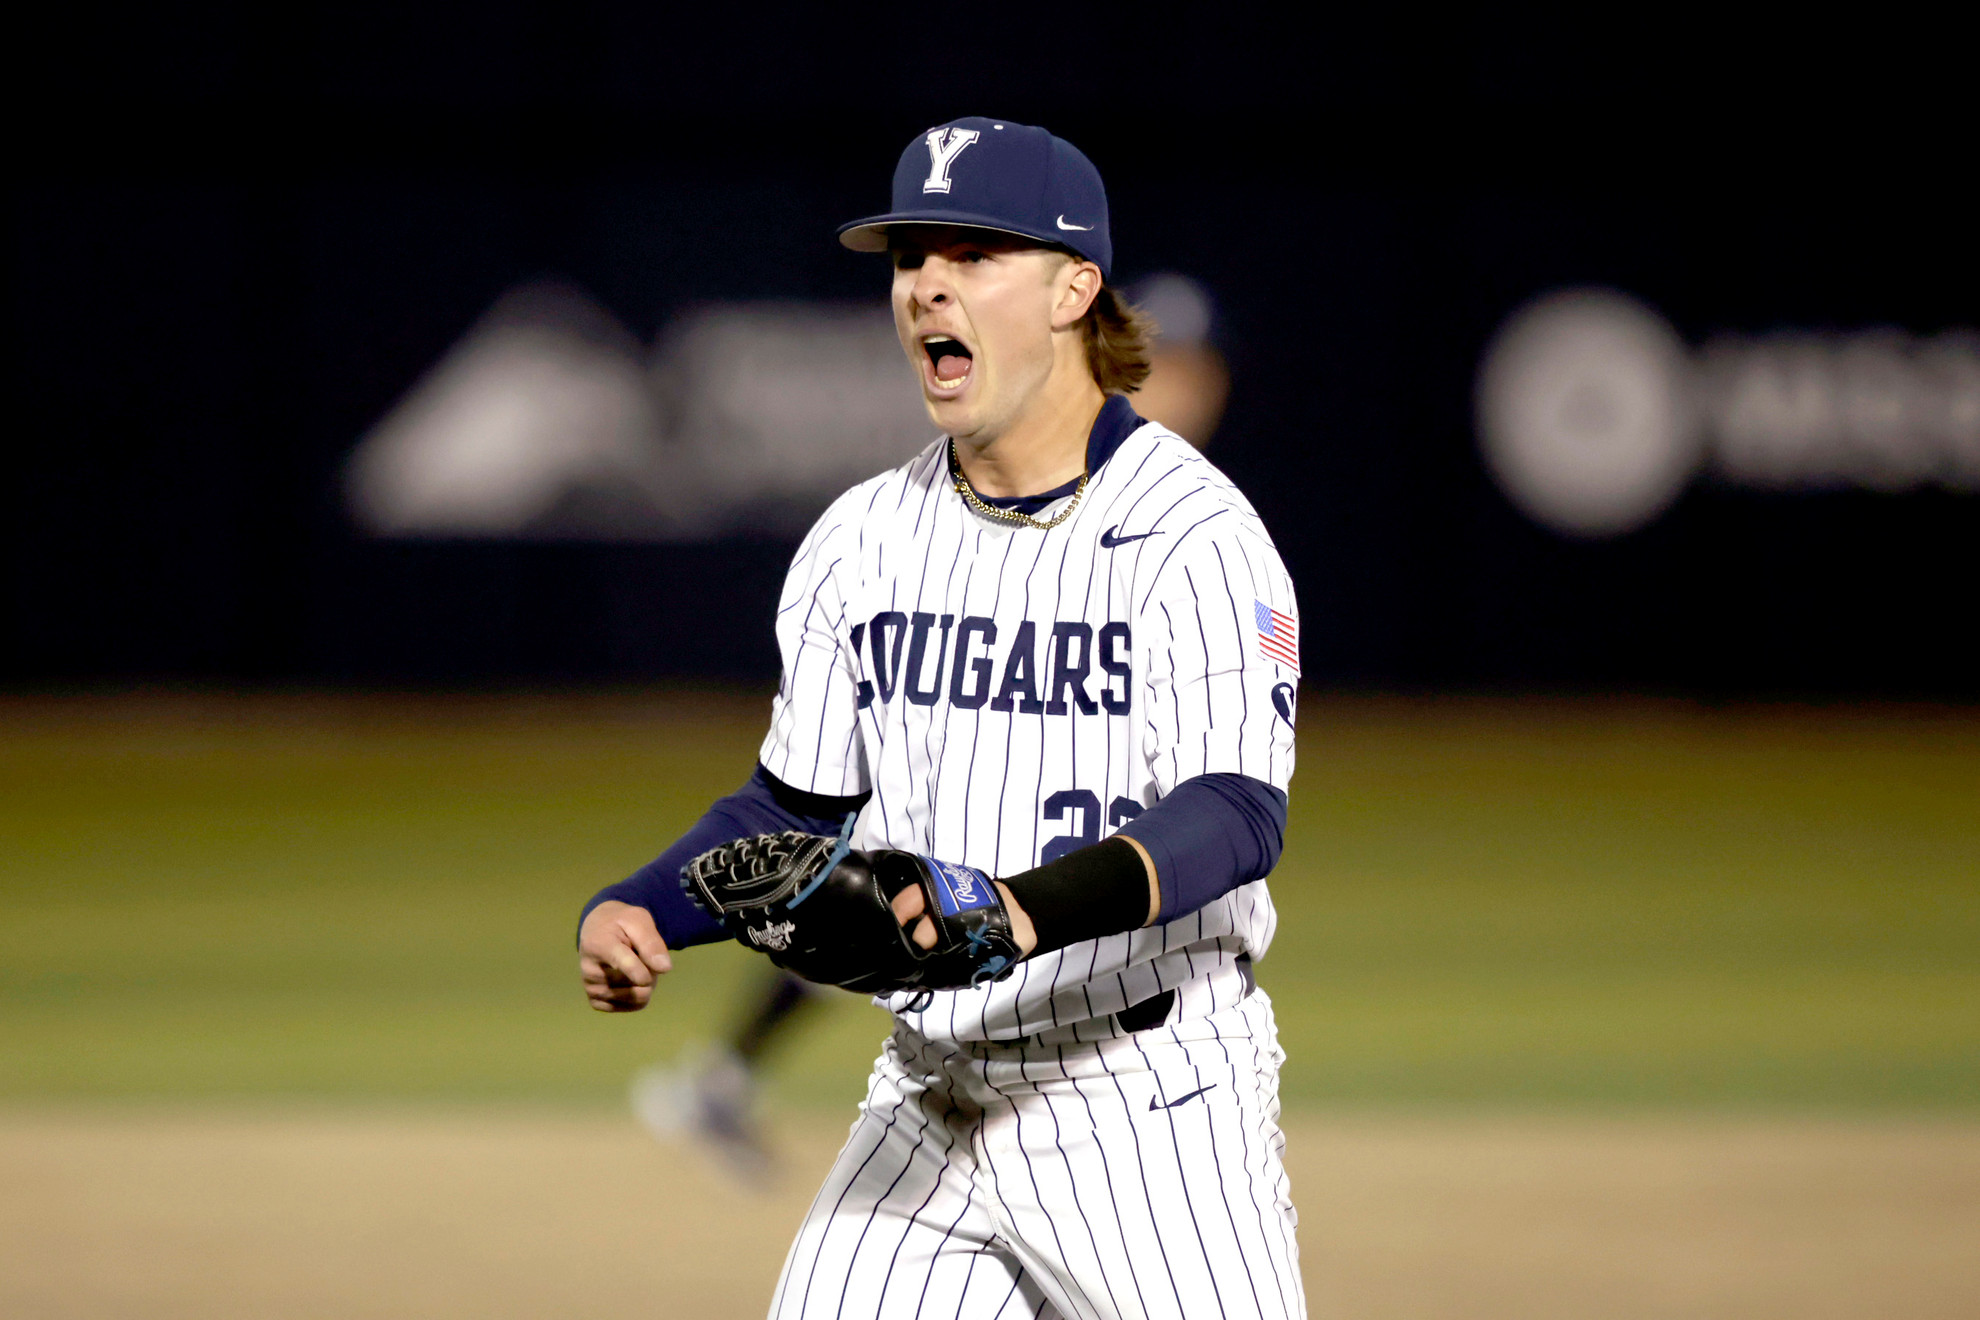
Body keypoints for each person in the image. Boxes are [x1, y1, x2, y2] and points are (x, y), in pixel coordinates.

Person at [579, 116, 1304, 1320]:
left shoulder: (1197, 537)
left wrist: (1020, 911)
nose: (927, 286)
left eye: (974, 254)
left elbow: (1234, 815)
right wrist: (643, 904)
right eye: (913, 256)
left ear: (1078, 289)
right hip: (926, 1097)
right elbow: (791, 807)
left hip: (1145, 1104)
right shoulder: (860, 539)